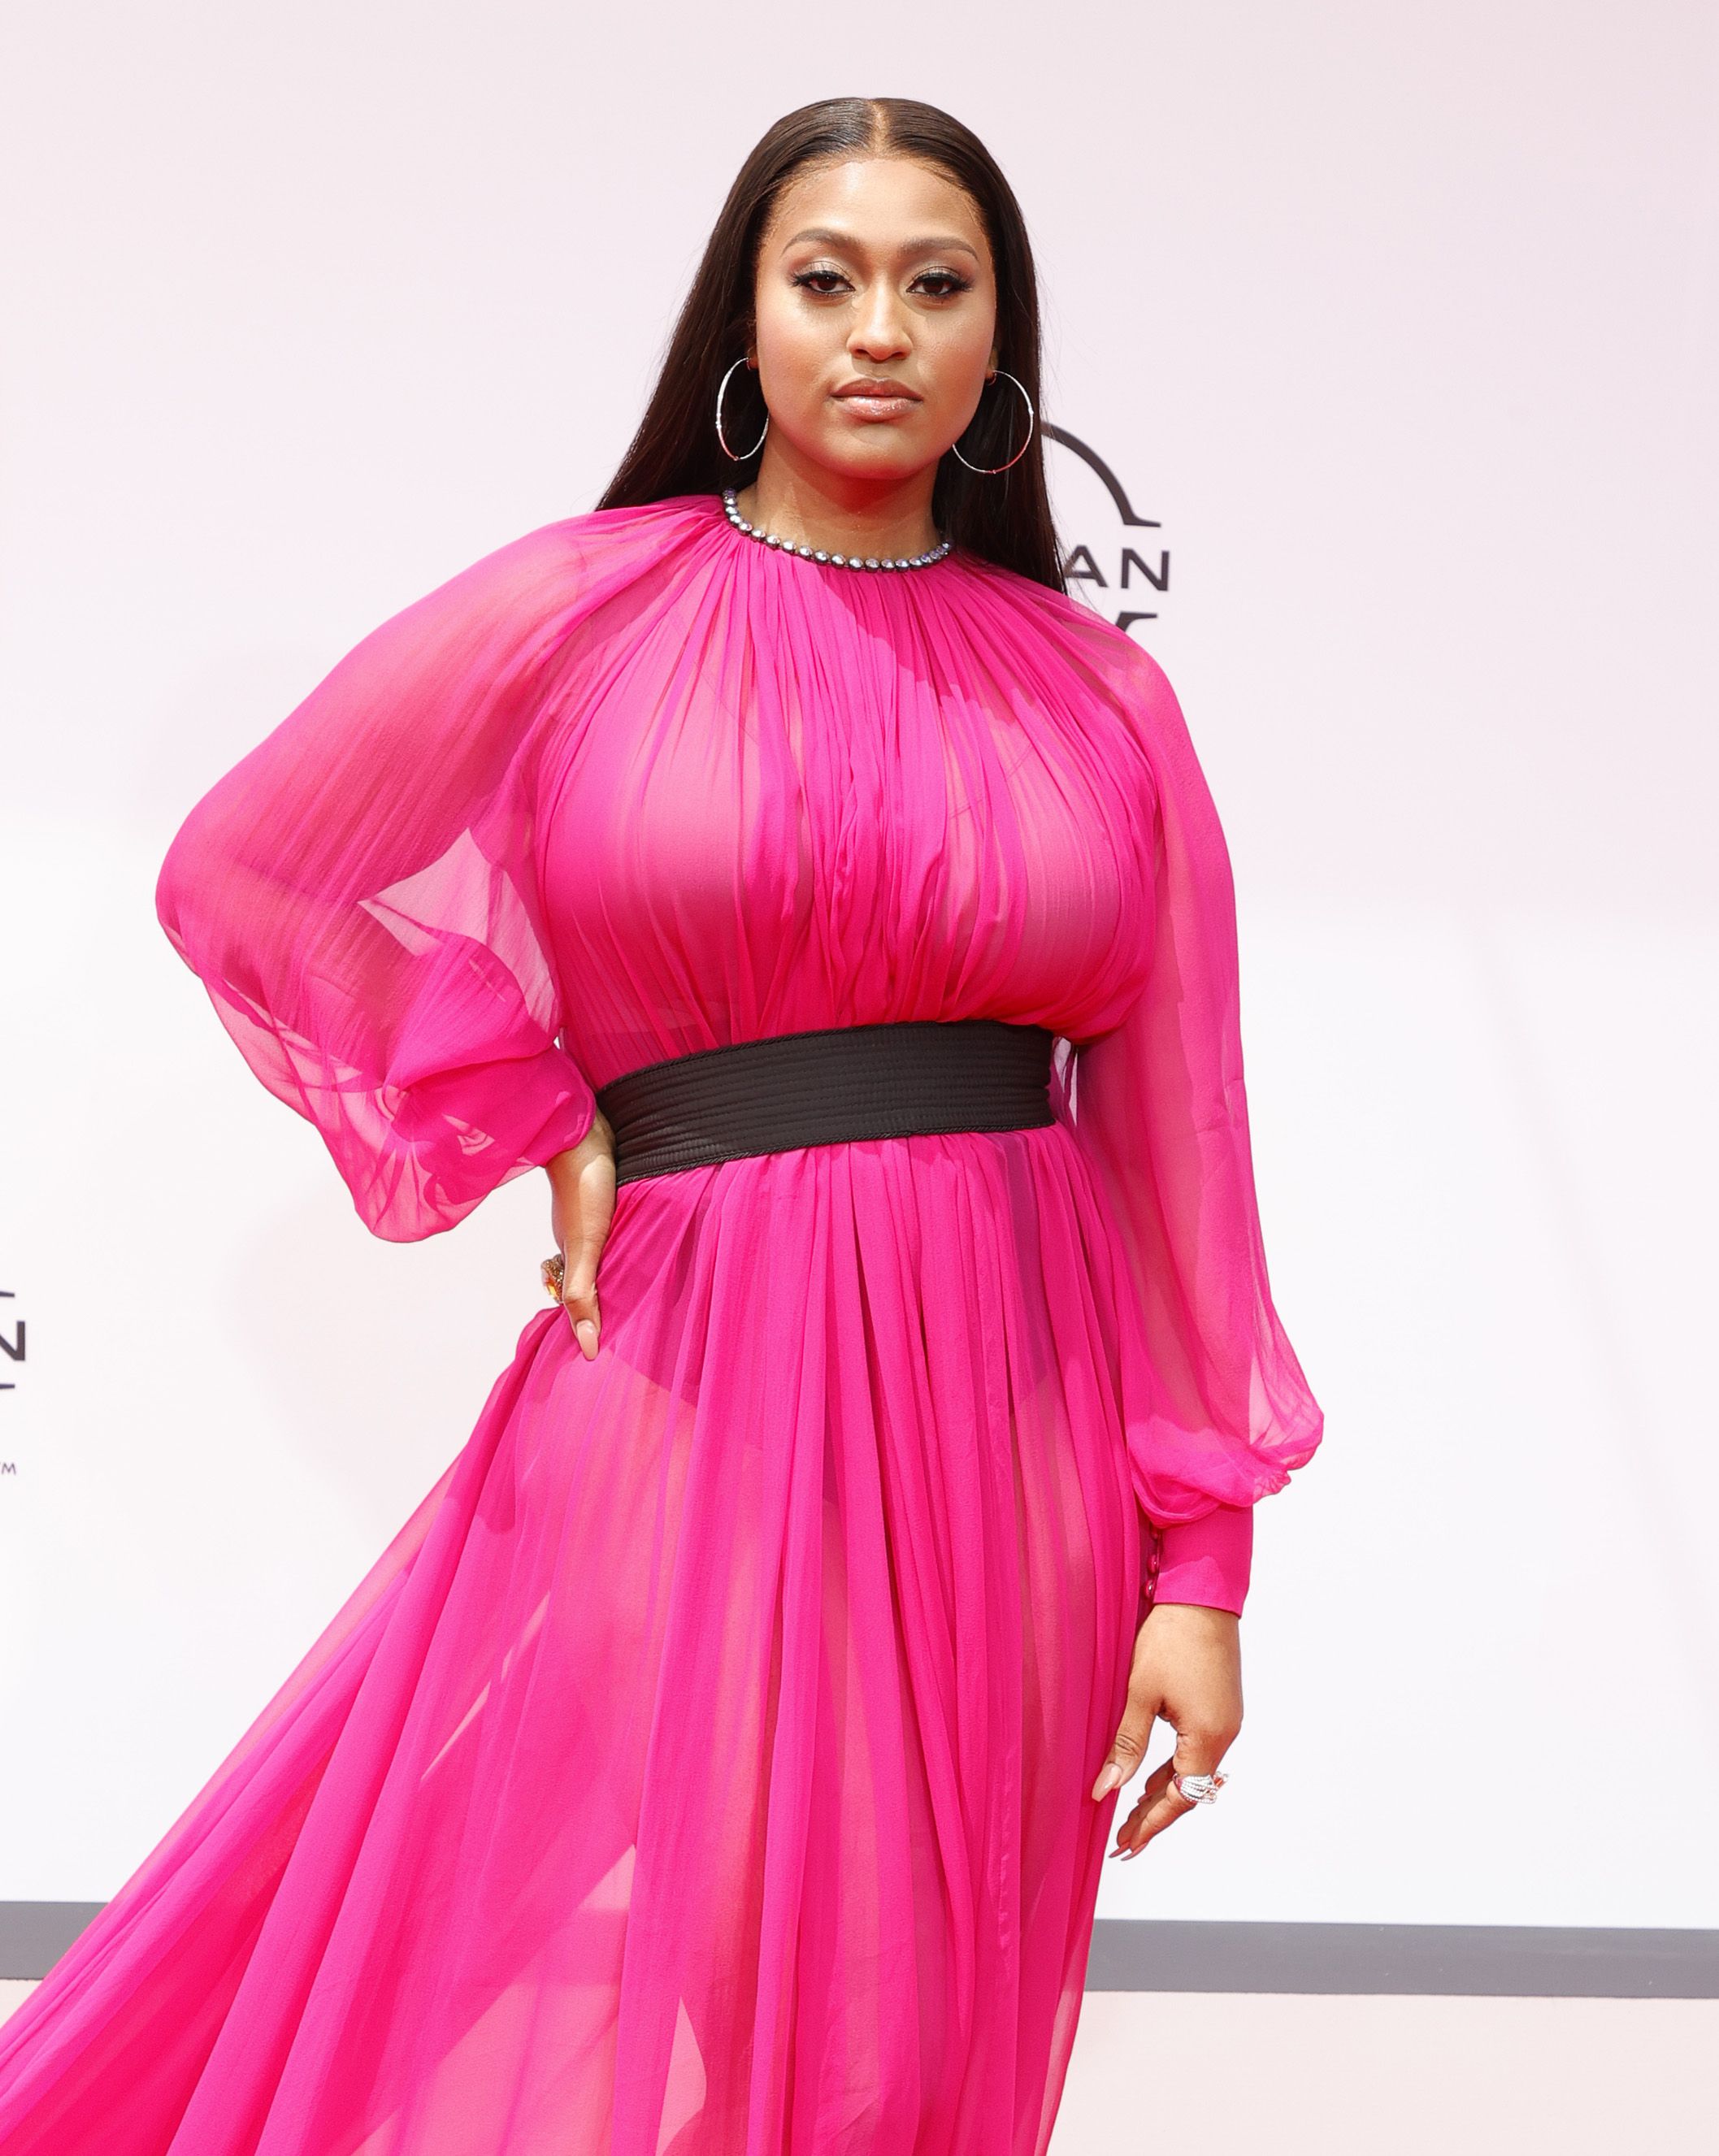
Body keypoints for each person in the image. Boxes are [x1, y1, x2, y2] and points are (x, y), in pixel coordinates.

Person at [0, 93, 1322, 2156]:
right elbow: (249, 873)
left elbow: (1176, 1152)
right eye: (825, 279)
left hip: (1022, 1413)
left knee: (931, 2017)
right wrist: (538, 1103)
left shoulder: (1095, 694)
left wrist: (1201, 1565)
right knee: (780, 1956)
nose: (876, 328)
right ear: (746, 319)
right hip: (697, 1385)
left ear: (998, 345)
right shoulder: (586, 608)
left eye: (932, 283)